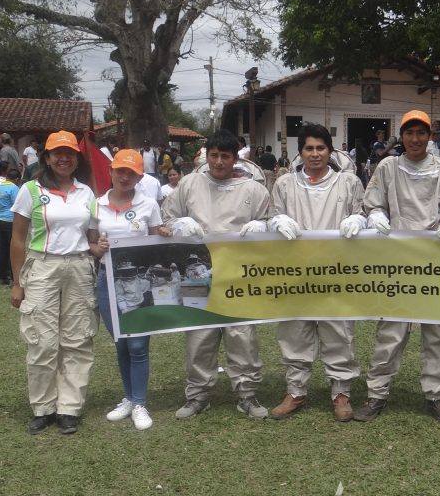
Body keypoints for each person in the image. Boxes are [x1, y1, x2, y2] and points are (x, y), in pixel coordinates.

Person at [353, 109, 440, 424]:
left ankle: (437, 396)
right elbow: (372, 201)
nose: (415, 139)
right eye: (409, 133)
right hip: (397, 264)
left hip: (436, 264)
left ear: (430, 136)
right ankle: (376, 393)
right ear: (401, 137)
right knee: (390, 332)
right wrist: (376, 214)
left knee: (439, 333)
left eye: (421, 133)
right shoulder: (389, 167)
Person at [161, 129, 272, 420]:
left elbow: (270, 222)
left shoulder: (253, 189)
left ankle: (246, 394)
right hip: (197, 274)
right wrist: (179, 224)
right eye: (214, 155)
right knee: (199, 334)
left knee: (242, 335)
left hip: (239, 274)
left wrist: (263, 226)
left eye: (225, 156)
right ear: (205, 156)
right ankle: (197, 395)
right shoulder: (189, 185)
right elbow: (165, 217)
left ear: (236, 158)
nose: (219, 162)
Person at [266, 123, 366, 422]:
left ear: (330, 151)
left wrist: (360, 220)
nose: (315, 154)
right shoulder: (285, 184)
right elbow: (272, 217)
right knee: (295, 334)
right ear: (301, 153)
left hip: (337, 274)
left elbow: (363, 213)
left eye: (320, 148)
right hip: (296, 276)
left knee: (339, 334)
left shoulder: (348, 183)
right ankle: (296, 392)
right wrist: (276, 222)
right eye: (309, 148)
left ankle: (341, 393)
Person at [9, 130, 96, 435]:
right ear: (46, 158)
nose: (63, 158)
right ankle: (43, 407)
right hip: (42, 266)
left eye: (69, 153)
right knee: (43, 341)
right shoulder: (30, 190)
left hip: (80, 267)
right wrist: (17, 283)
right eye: (57, 153)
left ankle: (69, 407)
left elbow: (92, 235)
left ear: (76, 158)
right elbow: (18, 238)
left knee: (77, 339)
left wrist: (98, 247)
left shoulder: (86, 192)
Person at [88, 149, 172, 431]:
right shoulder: (96, 205)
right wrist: (95, 248)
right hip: (106, 280)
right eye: (120, 171)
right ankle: (128, 397)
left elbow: (156, 237)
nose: (124, 177)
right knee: (121, 343)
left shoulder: (148, 204)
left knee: (138, 345)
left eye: (131, 173)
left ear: (139, 176)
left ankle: (139, 403)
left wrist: (162, 234)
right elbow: (89, 243)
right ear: (110, 171)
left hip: (137, 282)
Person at [0, 167, 21, 286]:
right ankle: (14, 278)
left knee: (1, 248)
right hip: (11, 221)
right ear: (17, 179)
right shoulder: (14, 188)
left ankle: (0, 277)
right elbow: (17, 205)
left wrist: (1, 213)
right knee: (13, 249)